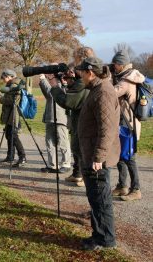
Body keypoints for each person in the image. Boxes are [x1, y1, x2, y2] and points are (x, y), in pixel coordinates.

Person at [76, 57, 120, 251]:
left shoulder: (102, 92)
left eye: (81, 73)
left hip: (97, 157)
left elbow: (108, 128)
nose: (80, 76)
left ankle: (105, 240)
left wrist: (98, 157)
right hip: (91, 153)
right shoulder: (96, 89)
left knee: (101, 199)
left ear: (90, 72)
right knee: (95, 198)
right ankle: (98, 234)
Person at [50, 47, 93, 185]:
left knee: (82, 149)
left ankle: (86, 178)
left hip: (84, 119)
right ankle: (78, 174)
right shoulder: (85, 76)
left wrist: (55, 87)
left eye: (75, 59)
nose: (74, 62)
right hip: (80, 118)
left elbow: (69, 102)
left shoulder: (86, 78)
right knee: (77, 147)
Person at [111, 50, 144, 201]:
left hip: (128, 124)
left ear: (121, 64)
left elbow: (110, 93)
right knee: (120, 155)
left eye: (116, 64)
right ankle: (122, 186)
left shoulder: (126, 80)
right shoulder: (123, 76)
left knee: (129, 157)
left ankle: (136, 189)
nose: (114, 67)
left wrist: (105, 79)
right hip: (123, 122)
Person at [39, 72, 71, 173]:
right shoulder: (52, 82)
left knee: (63, 142)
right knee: (49, 143)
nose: (48, 75)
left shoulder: (61, 83)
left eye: (49, 73)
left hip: (60, 117)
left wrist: (43, 80)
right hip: (50, 117)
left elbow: (51, 93)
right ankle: (52, 165)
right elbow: (47, 95)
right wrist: (43, 81)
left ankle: (66, 164)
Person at [0, 69, 26, 167]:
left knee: (13, 136)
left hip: (14, 114)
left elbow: (11, 100)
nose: (3, 80)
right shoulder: (12, 84)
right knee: (9, 135)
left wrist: (1, 99)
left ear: (9, 76)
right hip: (10, 113)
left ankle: (22, 157)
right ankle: (10, 156)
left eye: (4, 78)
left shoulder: (14, 85)